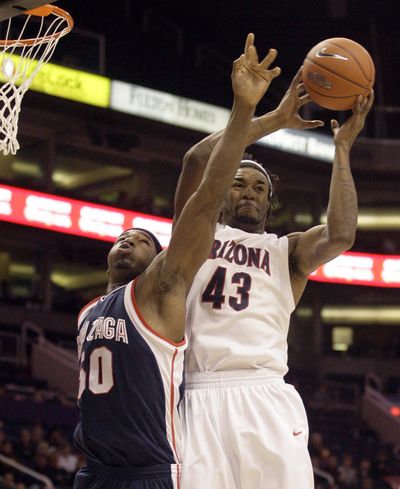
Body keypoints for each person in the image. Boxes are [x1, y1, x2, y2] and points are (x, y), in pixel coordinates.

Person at [72, 33, 281, 489]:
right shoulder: (87, 312)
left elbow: (206, 195)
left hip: (148, 470)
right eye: (123, 237)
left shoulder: (158, 288)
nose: (129, 242)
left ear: (160, 258)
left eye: (144, 240)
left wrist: (247, 110)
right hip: (92, 471)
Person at [174, 65, 374, 487]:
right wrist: (272, 120)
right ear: (221, 190)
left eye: (259, 188)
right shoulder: (195, 231)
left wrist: (342, 150)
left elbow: (341, 234)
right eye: (237, 183)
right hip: (197, 391)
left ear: (270, 203)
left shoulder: (287, 251)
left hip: (263, 390)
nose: (248, 192)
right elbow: (196, 160)